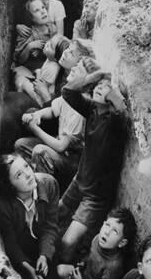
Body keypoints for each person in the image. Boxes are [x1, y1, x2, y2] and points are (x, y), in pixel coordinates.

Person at [59, 58, 128, 263]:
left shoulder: (114, 123)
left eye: (106, 88)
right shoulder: (92, 110)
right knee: (59, 211)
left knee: (68, 242)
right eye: (98, 86)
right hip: (79, 181)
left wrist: (110, 91)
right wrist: (94, 77)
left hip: (96, 196)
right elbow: (68, 92)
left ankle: (62, 271)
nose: (101, 88)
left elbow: (121, 111)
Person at [13, 39, 98, 192]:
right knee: (20, 145)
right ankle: (31, 182)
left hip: (72, 161)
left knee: (40, 151)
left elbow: (61, 146)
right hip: (59, 148)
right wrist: (38, 114)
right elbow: (53, 109)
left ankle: (47, 192)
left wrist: (35, 128)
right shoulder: (69, 93)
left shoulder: (80, 108)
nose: (65, 52)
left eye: (77, 68)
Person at [0, 154, 60, 279]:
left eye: (26, 166)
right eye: (19, 175)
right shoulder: (2, 205)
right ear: (10, 185)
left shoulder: (48, 184)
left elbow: (50, 227)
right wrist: (28, 269)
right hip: (22, 253)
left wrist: (44, 255)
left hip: (44, 244)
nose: (28, 174)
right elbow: (10, 243)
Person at [56, 208, 137, 279]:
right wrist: (82, 265)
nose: (107, 232)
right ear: (103, 224)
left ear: (122, 242)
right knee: (60, 270)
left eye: (115, 231)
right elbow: (90, 257)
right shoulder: (97, 239)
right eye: (107, 225)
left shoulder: (113, 267)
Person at [12, 0, 57, 104]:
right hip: (27, 70)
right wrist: (30, 47)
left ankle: (45, 102)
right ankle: (41, 103)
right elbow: (20, 60)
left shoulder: (52, 29)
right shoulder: (27, 34)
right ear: (31, 18)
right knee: (21, 82)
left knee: (51, 87)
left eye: (43, 8)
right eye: (37, 11)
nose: (42, 11)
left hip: (45, 70)